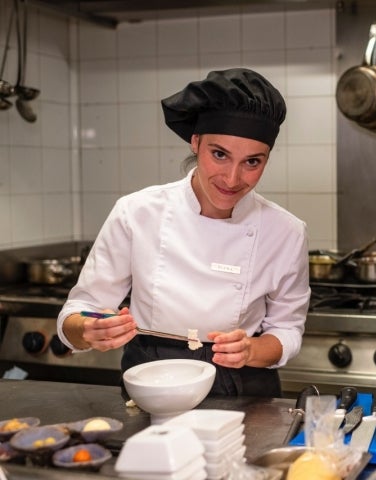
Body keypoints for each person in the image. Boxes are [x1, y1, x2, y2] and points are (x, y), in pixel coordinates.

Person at [57, 69, 310, 397]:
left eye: (252, 162)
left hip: (244, 385)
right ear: (196, 142)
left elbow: (287, 330)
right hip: (152, 380)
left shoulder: (286, 231)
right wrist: (89, 329)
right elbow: (77, 312)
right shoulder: (137, 212)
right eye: (219, 154)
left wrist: (252, 350)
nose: (232, 179)